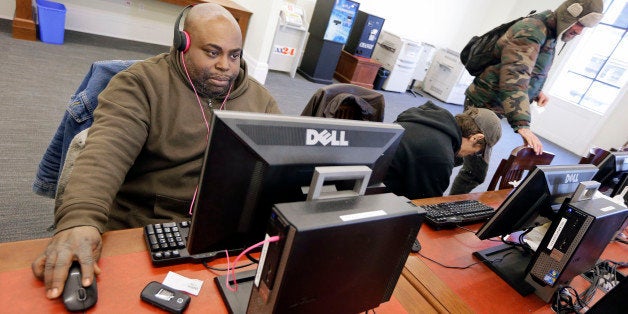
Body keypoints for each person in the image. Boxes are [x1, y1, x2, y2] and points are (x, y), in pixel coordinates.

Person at [32, 3, 281, 300]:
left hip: (224, 235)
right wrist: (80, 219)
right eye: (212, 52)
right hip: (143, 228)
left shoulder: (261, 101)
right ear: (182, 45)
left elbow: (280, 169)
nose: (225, 66)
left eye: (234, 55)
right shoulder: (139, 84)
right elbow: (104, 155)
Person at [450, 0, 604, 195]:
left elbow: (529, 69)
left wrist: (536, 91)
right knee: (473, 169)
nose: (580, 31)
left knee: (461, 155)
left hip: (493, 104)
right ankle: (431, 203)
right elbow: (514, 77)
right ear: (569, 15)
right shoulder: (533, 30)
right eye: (579, 24)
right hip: (483, 105)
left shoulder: (549, 32)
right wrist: (522, 124)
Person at [383, 101, 501, 200]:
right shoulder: (441, 157)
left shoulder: (428, 115)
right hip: (378, 198)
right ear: (476, 138)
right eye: (478, 151)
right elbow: (425, 204)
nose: (472, 154)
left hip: (372, 175)